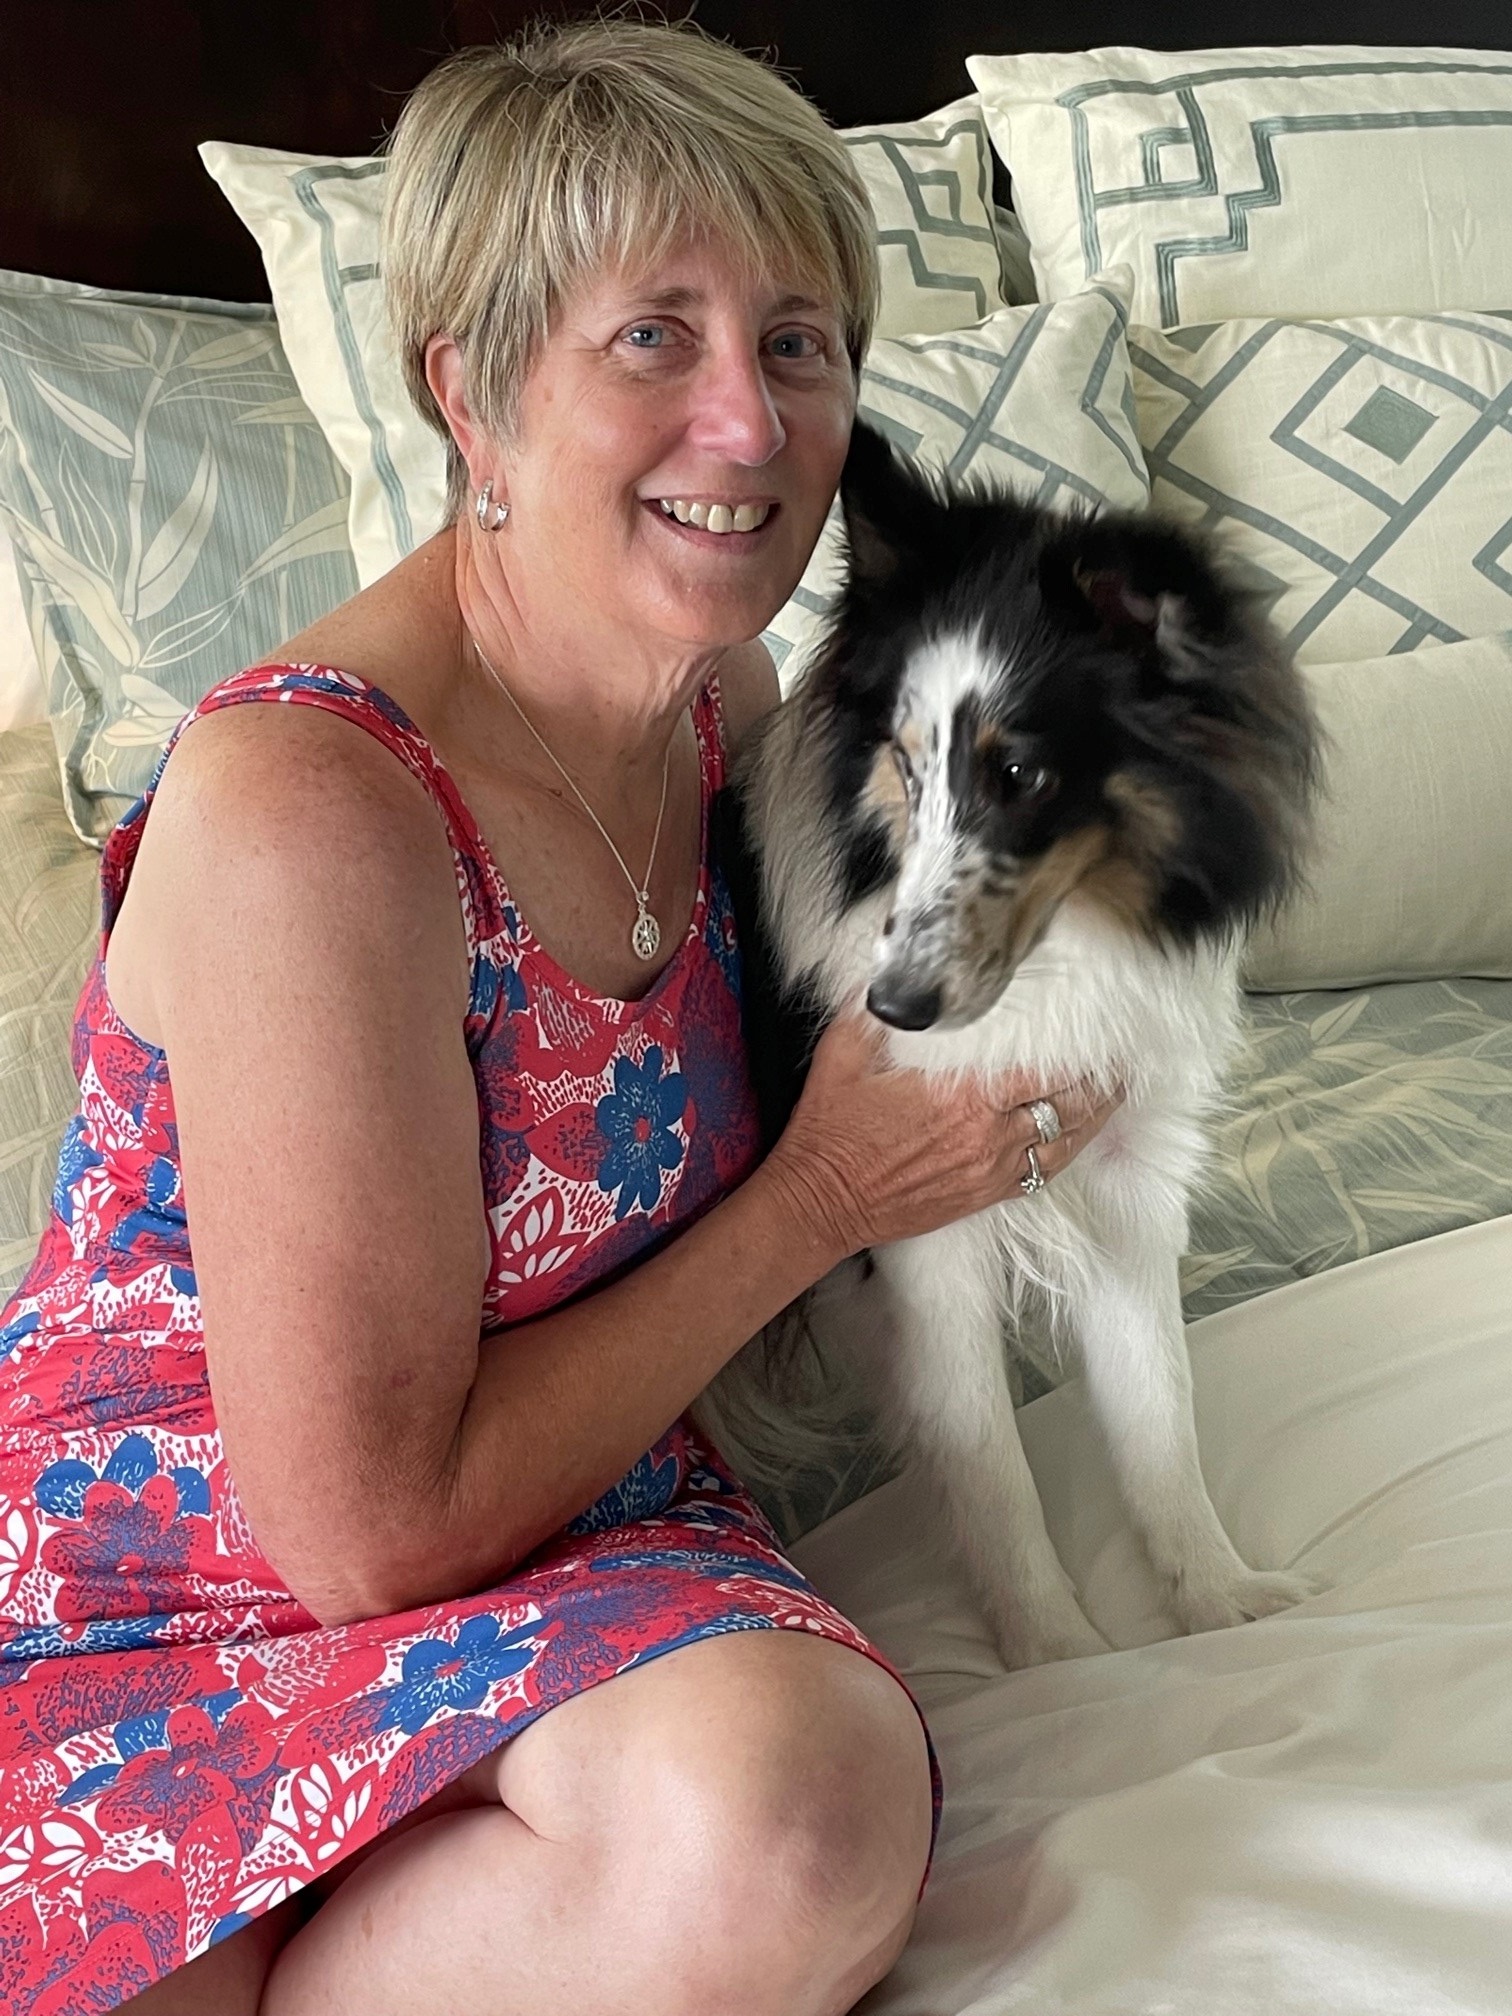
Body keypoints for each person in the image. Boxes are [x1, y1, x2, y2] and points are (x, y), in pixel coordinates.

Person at [0, 20, 1123, 2015]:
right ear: (470, 391)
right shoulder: (311, 810)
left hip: (573, 1524)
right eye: (652, 340)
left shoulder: (733, 720)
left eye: (798, 341)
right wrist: (830, 1194)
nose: (753, 424)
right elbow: (366, 1536)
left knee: (791, 1812)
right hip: (156, 1593)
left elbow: (876, 1090)